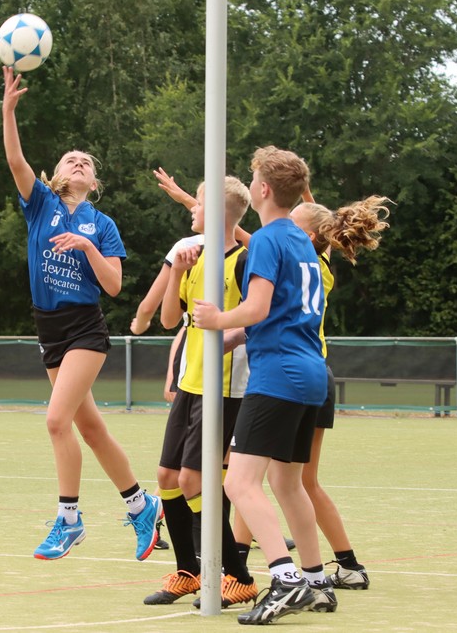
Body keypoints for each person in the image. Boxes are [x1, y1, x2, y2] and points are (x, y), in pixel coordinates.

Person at [1, 66, 161, 561]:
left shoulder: (102, 224)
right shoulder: (40, 204)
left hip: (85, 329)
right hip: (48, 328)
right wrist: (8, 111)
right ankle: (142, 506)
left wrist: (87, 247)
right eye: (70, 159)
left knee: (56, 421)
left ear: (94, 182)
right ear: (56, 175)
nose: (78, 162)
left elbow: (113, 286)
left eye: (86, 162)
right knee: (89, 429)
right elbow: (15, 159)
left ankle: (69, 520)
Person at [193, 146, 333, 625]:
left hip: (279, 375)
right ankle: (317, 581)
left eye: (253, 178)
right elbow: (280, 312)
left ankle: (286, 578)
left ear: (264, 190)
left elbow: (256, 307)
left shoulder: (270, 240)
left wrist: (216, 320)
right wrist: (236, 335)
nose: (250, 184)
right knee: (287, 484)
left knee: (239, 481)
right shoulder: (298, 238)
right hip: (310, 371)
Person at [142, 177, 259, 608]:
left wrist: (230, 332)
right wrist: (178, 271)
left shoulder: (244, 261)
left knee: (194, 479)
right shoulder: (193, 256)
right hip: (192, 381)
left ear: (219, 212)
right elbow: (169, 320)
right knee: (167, 477)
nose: (192, 208)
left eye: (199, 202)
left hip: (226, 386)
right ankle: (188, 571)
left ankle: (238, 576)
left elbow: (261, 318)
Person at [288, 189, 391, 590]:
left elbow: (244, 237)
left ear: (310, 235)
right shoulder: (320, 257)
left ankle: (240, 568)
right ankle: (349, 565)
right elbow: (321, 223)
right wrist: (304, 190)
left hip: (300, 377)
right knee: (303, 482)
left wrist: (199, 209)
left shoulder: (301, 262)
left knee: (266, 478)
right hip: (318, 376)